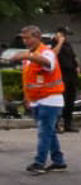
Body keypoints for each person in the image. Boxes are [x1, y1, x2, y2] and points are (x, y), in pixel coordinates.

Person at [8, 25, 68, 174]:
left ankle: (39, 163)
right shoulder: (29, 55)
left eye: (27, 38)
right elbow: (28, 79)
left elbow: (47, 63)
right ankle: (58, 161)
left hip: (50, 99)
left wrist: (26, 56)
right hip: (36, 100)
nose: (25, 41)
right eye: (23, 38)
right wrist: (27, 97)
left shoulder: (46, 52)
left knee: (44, 132)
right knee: (49, 132)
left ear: (37, 37)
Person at [52, 27, 80, 133]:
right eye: (64, 35)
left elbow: (73, 56)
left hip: (71, 75)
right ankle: (56, 124)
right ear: (58, 34)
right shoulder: (52, 43)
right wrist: (59, 42)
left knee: (70, 101)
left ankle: (68, 124)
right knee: (60, 101)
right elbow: (53, 54)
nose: (66, 37)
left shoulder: (67, 44)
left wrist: (77, 66)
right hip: (60, 75)